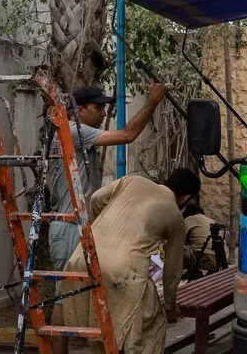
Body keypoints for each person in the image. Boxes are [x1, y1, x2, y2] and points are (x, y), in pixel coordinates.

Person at [48, 81, 165, 354]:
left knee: (73, 294)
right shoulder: (73, 130)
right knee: (64, 296)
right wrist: (152, 101)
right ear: (79, 109)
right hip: (68, 226)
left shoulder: (74, 134)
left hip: (76, 224)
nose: (103, 113)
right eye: (98, 107)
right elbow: (127, 135)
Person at [61, 173, 195, 354]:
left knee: (99, 324)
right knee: (152, 322)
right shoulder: (176, 217)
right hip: (122, 270)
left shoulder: (132, 180)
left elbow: (95, 198)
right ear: (186, 198)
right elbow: (172, 269)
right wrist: (170, 307)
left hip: (82, 258)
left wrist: (100, 231)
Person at [168, 168, 225, 276]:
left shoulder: (189, 220)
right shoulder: (207, 220)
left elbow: (179, 240)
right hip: (220, 259)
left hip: (204, 259)